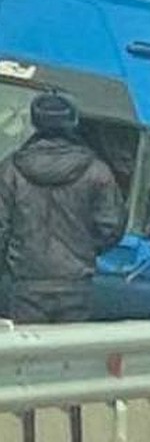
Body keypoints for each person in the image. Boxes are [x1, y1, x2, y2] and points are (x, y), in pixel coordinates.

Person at [0, 91, 124, 324]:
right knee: (69, 356)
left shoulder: (10, 170)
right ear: (73, 121)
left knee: (28, 356)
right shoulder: (97, 170)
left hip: (26, 283)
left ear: (35, 121)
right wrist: (84, 249)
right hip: (75, 284)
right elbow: (111, 227)